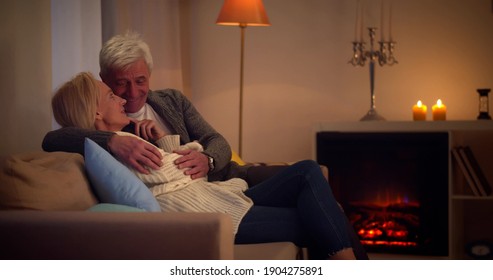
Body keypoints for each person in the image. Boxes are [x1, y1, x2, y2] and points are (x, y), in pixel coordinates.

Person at [51, 72, 357, 260]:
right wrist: (116, 141)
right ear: (94, 113)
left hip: (223, 192)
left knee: (308, 171)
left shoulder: (156, 112)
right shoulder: (114, 146)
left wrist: (170, 143)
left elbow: (196, 151)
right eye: (112, 91)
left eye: (140, 79)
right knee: (326, 217)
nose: (122, 97)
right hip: (209, 212)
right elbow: (53, 138)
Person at [43, 31, 238, 181]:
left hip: (229, 173)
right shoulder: (114, 126)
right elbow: (52, 139)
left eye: (140, 80)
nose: (133, 93)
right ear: (104, 80)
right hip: (210, 190)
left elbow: (215, 140)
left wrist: (208, 160)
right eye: (121, 83)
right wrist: (112, 141)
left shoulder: (172, 99)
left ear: (149, 75)